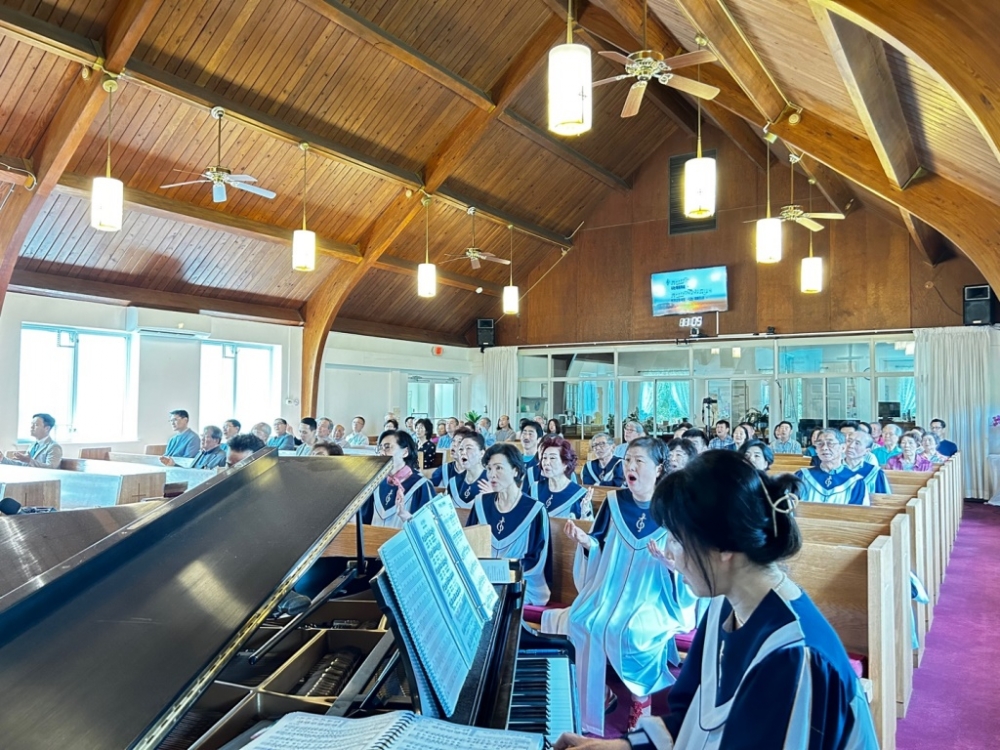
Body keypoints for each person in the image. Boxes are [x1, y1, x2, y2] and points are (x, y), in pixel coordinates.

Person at [554, 452, 878, 750]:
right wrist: (620, 747)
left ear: (723, 546)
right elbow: (687, 717)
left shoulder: (795, 655)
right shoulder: (724, 605)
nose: (670, 553)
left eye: (677, 539)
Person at [549, 436, 697, 735]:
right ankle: (600, 694)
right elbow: (599, 544)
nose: (630, 466)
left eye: (639, 461)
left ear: (658, 468)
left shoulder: (674, 508)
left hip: (653, 596)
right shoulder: (614, 503)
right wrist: (585, 542)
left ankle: (641, 703)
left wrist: (670, 563)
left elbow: (691, 565)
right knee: (580, 619)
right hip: (609, 590)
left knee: (632, 631)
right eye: (628, 460)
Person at [466, 442, 550, 606]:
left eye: (498, 468)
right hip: (483, 581)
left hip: (521, 582)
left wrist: (505, 573)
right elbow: (469, 546)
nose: (492, 475)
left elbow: (537, 559)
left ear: (515, 470)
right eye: (489, 469)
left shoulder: (534, 510)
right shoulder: (480, 504)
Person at [360, 430, 433, 528]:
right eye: (380, 448)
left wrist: (404, 515)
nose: (382, 453)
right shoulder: (375, 483)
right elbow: (363, 523)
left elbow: (428, 527)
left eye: (387, 447)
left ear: (405, 452)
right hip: (373, 537)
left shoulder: (421, 485)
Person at [795, 429, 869, 506]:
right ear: (816, 449)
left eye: (830, 443)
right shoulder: (802, 476)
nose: (824, 448)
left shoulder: (855, 481)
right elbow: (790, 506)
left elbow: (858, 511)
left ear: (843, 448)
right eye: (820, 444)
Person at [537, 436, 591, 519]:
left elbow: (588, 525)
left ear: (565, 463)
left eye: (552, 458)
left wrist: (585, 515)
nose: (546, 463)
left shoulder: (580, 495)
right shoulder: (535, 489)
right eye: (544, 458)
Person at [449, 431, 488, 509]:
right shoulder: (454, 482)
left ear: (481, 453)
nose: (463, 452)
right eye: (461, 449)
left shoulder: (492, 481)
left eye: (469, 448)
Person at [160, 425, 226, 469]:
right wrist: (173, 465)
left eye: (206, 437)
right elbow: (191, 471)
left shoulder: (221, 457)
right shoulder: (200, 453)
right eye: (202, 436)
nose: (202, 439)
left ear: (216, 440)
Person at [519, 420, 544, 496]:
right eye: (524, 433)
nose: (526, 437)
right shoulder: (514, 460)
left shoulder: (542, 462)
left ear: (539, 439)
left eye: (530, 434)